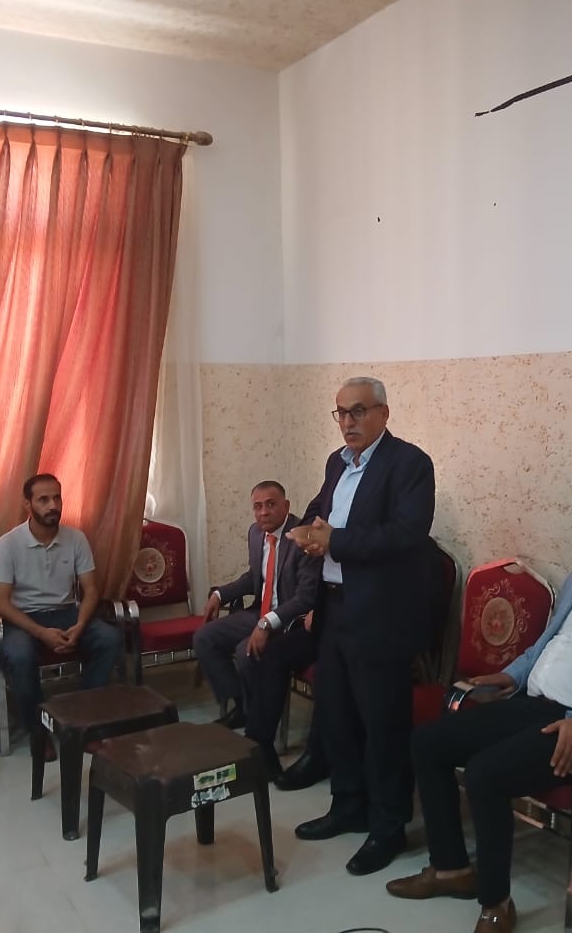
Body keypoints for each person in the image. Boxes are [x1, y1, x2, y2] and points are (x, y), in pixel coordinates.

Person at [385, 499, 572, 933]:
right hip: (531, 703)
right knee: (428, 742)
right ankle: (451, 869)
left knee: (486, 774)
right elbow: (544, 646)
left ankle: (496, 904)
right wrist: (509, 675)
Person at [288, 376, 435, 877]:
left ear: (383, 414)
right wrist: (305, 528)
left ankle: (388, 825)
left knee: (382, 724)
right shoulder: (338, 462)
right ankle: (348, 805)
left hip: (380, 614)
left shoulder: (409, 464)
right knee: (336, 715)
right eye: (341, 413)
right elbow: (321, 510)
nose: (347, 422)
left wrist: (335, 542)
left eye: (357, 411)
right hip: (333, 607)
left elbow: (406, 534)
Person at [0, 473, 123, 761]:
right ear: (28, 504)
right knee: (20, 655)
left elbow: (91, 590)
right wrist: (41, 633)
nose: (53, 505)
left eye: (57, 498)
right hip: (24, 618)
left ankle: (82, 722)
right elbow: (0, 602)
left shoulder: (75, 538)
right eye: (43, 499)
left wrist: (80, 625)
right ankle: (38, 732)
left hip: (66, 613)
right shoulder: (8, 543)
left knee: (109, 639)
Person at [194, 482, 319, 771]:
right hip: (259, 613)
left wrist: (267, 623)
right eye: (258, 506)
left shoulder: (301, 537)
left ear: (286, 506)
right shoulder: (255, 533)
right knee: (205, 637)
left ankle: (257, 727)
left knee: (247, 652)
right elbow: (254, 577)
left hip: (288, 619)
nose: (263, 512)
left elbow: (305, 598)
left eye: (271, 504)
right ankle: (242, 706)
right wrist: (219, 594)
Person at [237, 607, 329, 789]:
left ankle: (318, 754)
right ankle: (260, 746)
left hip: (357, 623)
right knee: (274, 651)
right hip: (328, 621)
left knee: (329, 667)